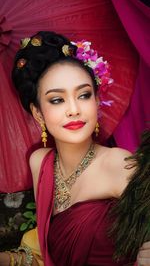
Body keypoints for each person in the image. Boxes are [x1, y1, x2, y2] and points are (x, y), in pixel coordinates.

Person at [1, 31, 150, 265]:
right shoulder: (40, 162)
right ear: (38, 112)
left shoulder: (120, 164)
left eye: (83, 95)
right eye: (57, 100)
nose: (74, 109)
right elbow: (45, 256)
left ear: (97, 101)